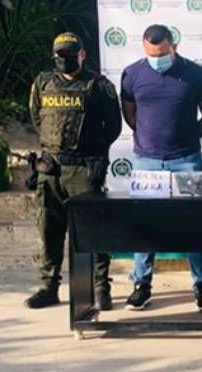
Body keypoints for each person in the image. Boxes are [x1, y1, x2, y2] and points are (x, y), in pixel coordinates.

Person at [119, 25, 202, 312]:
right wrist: (149, 139)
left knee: (194, 222)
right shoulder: (132, 74)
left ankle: (201, 285)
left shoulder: (196, 74)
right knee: (145, 223)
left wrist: (186, 137)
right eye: (151, 54)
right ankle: (142, 284)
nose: (157, 59)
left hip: (187, 159)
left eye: (162, 54)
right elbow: (130, 112)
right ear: (143, 48)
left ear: (173, 46)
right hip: (147, 161)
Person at [24, 32, 123, 310]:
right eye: (60, 56)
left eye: (70, 55)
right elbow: (36, 118)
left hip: (84, 168)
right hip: (50, 168)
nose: (65, 60)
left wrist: (92, 154)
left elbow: (112, 127)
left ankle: (101, 288)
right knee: (49, 230)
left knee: (94, 230)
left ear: (82, 55)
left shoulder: (99, 86)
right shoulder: (42, 83)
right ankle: (48, 286)